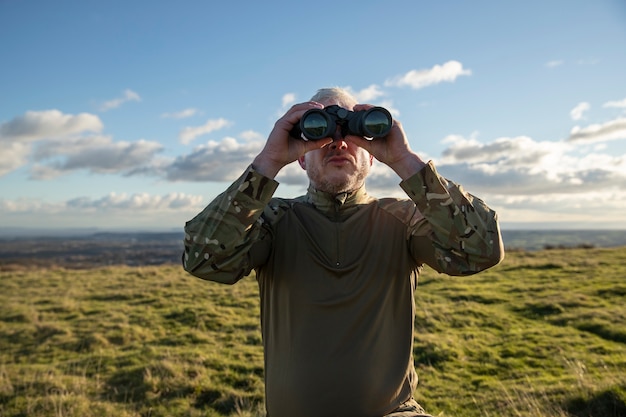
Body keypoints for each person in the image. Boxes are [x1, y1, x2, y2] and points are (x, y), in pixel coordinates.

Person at [182, 87, 504, 417]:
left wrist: (406, 160)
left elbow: (482, 249)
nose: (338, 142)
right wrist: (267, 162)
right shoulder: (271, 221)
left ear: (373, 154)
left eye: (353, 132)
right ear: (302, 157)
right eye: (320, 132)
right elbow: (202, 259)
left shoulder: (404, 220)